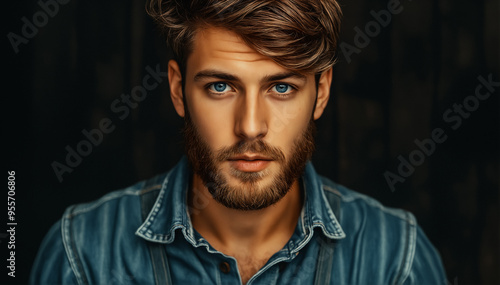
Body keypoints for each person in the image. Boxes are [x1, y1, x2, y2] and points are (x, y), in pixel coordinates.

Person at [30, 0, 448, 284]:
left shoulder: (397, 260)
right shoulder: (81, 255)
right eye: (220, 87)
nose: (250, 126)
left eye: (281, 88)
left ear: (320, 93)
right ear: (178, 89)